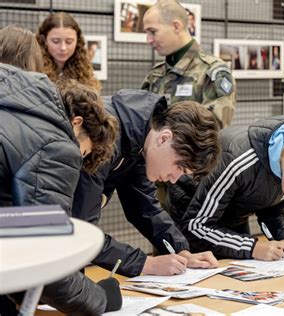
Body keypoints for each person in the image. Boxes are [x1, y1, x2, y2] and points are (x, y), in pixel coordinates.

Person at [0, 25, 121, 315]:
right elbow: (44, 255)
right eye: (83, 154)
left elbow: (11, 230)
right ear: (76, 123)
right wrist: (101, 298)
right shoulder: (53, 143)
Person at [72, 90, 221, 277]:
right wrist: (146, 264)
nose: (174, 179)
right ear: (165, 138)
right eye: (179, 167)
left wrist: (181, 252)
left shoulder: (139, 139)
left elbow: (144, 206)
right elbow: (80, 231)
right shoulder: (104, 136)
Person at [168, 116, 284, 260]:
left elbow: (275, 211)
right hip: (191, 214)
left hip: (233, 215)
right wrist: (252, 247)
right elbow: (195, 225)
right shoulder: (238, 161)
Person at [142, 0, 236, 128]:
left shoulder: (212, 71)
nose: (149, 40)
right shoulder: (155, 75)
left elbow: (212, 129)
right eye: (146, 33)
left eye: (153, 31)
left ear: (176, 26)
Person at [37, 12, 101, 91]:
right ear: (44, 40)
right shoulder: (34, 68)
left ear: (77, 40)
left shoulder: (82, 70)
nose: (63, 48)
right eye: (56, 41)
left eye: (69, 41)